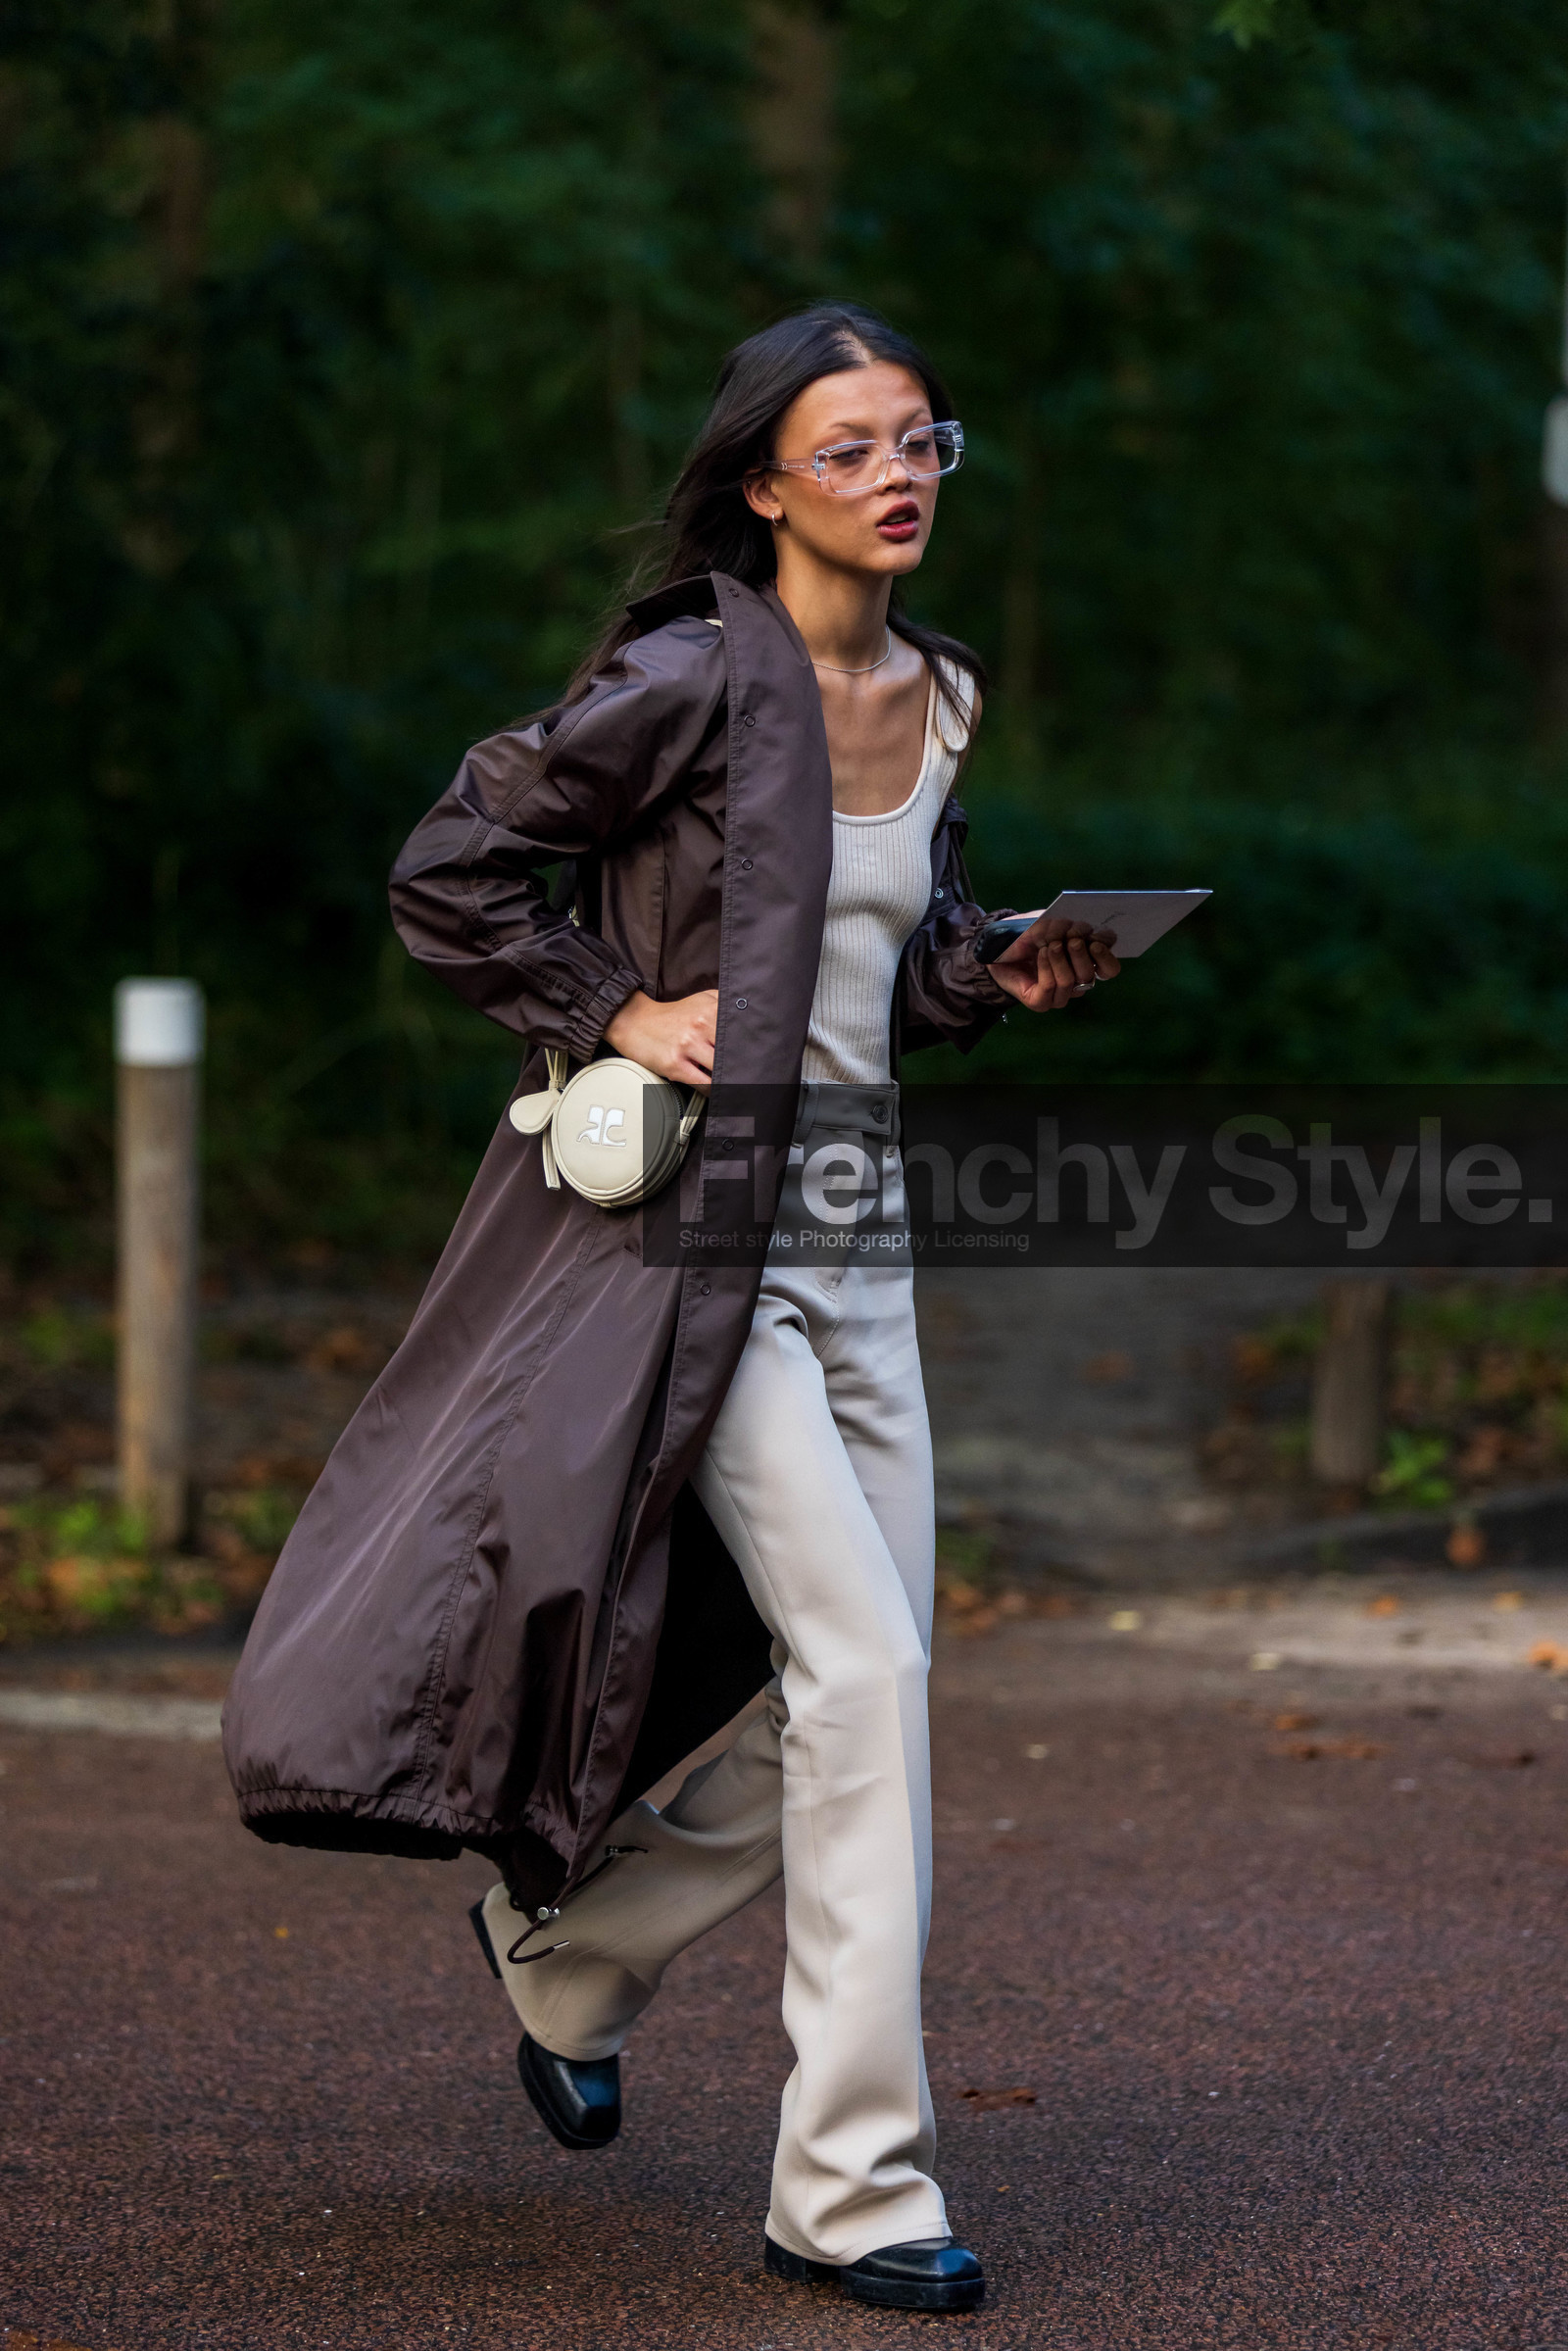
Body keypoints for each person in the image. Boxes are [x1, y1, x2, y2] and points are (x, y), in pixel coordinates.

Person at [221, 303, 1119, 2317]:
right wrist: (608, 1004)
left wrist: (997, 972)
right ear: (758, 484)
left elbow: (882, 960)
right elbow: (452, 867)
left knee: (861, 1697)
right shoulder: (691, 677)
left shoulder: (942, 690)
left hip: (861, 1246)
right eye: (853, 447)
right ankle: (852, 2186)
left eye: (924, 441)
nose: (900, 476)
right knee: (868, 1682)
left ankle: (573, 1953)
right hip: (686, 1259)